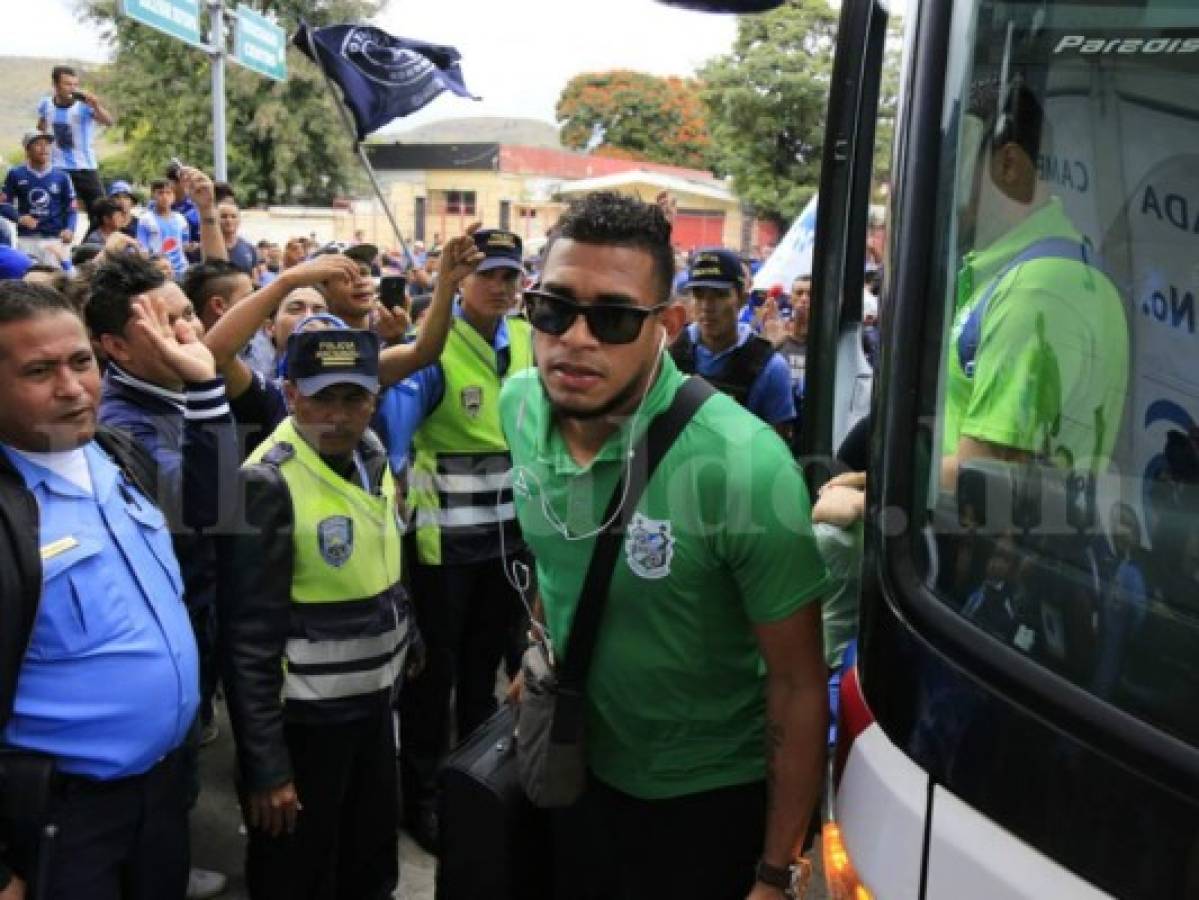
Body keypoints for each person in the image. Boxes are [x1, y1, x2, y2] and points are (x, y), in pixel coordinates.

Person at [501, 191, 829, 900]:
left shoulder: (742, 465)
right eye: (553, 309)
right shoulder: (519, 404)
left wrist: (775, 871)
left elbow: (799, 684)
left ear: (667, 326)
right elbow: (553, 552)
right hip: (573, 766)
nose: (576, 339)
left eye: (614, 317)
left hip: (701, 805)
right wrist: (543, 642)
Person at [0, 279, 223, 899]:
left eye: (80, 363)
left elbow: (218, 513)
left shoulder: (116, 453)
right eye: (39, 371)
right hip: (66, 819)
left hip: (162, 794)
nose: (72, 388)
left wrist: (205, 387)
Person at [217, 328, 418, 900]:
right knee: (298, 871)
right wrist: (267, 767)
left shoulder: (371, 454)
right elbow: (247, 639)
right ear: (288, 393)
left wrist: (409, 631)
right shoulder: (268, 481)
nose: (338, 415)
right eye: (321, 397)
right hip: (304, 726)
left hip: (374, 709)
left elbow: (383, 556)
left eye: (354, 398)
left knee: (370, 858)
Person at [86, 254, 232, 899]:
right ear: (117, 345)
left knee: (180, 762)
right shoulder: (126, 428)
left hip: (196, 616)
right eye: (169, 323)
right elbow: (216, 513)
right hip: (166, 627)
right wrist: (205, 392)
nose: (191, 333)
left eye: (188, 315)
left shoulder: (171, 395)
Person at [394, 229, 535, 850]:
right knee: (434, 682)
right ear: (461, 281)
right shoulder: (427, 351)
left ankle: (476, 787)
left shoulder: (531, 339)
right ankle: (421, 798)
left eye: (510, 275)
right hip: (441, 551)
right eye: (488, 276)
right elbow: (395, 452)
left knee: (484, 677)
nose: (501, 287)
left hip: (508, 547)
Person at [942, 79, 1128, 486]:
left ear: (1009, 165)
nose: (943, 191)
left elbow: (983, 483)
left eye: (954, 167)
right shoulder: (1055, 269)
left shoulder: (1035, 291)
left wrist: (871, 497)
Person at [669, 247, 797, 440]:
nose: (706, 306)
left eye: (719, 295)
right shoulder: (669, 352)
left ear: (742, 299)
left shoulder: (770, 368)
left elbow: (779, 447)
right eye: (698, 294)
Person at [35, 65, 113, 237]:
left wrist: (96, 106)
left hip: (85, 167)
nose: (72, 88)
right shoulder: (45, 104)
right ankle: (57, 245)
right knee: (55, 211)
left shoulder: (84, 106)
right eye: (67, 84)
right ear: (55, 85)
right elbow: (41, 127)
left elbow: (109, 122)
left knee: (101, 211)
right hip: (58, 168)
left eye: (75, 84)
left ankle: (88, 247)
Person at [1, 132, 77, 266]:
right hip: (26, 239)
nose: (44, 148)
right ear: (27, 150)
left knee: (56, 282)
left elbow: (71, 208)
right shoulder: (15, 174)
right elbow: (3, 204)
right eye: (38, 144)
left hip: (54, 239)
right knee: (26, 281)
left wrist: (70, 229)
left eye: (47, 144)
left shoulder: (62, 176)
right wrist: (19, 218)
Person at [137, 179, 191, 278]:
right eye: (160, 193)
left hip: (181, 270)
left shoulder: (181, 218)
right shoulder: (145, 219)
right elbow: (142, 249)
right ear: (153, 195)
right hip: (158, 272)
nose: (165, 197)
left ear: (174, 196)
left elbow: (185, 245)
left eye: (168, 193)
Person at [217, 200, 257, 275]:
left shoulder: (249, 249)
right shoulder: (207, 248)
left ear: (239, 220)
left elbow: (254, 279)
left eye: (233, 216)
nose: (229, 220)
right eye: (224, 216)